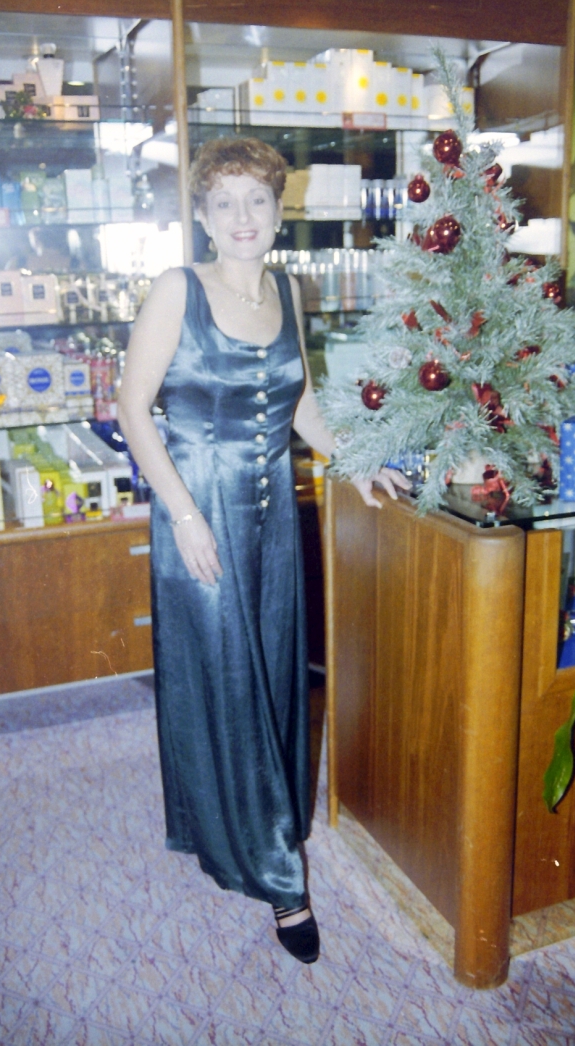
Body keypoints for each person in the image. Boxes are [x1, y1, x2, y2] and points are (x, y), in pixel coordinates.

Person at [118, 137, 409, 964]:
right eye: (225, 203)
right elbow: (133, 408)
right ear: (203, 216)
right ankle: (284, 884)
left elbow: (300, 402)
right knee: (224, 677)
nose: (242, 217)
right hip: (199, 511)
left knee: (270, 674)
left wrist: (355, 461)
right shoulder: (177, 290)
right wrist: (182, 516)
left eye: (257, 200)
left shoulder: (287, 288)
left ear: (279, 210)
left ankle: (238, 827)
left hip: (273, 512)